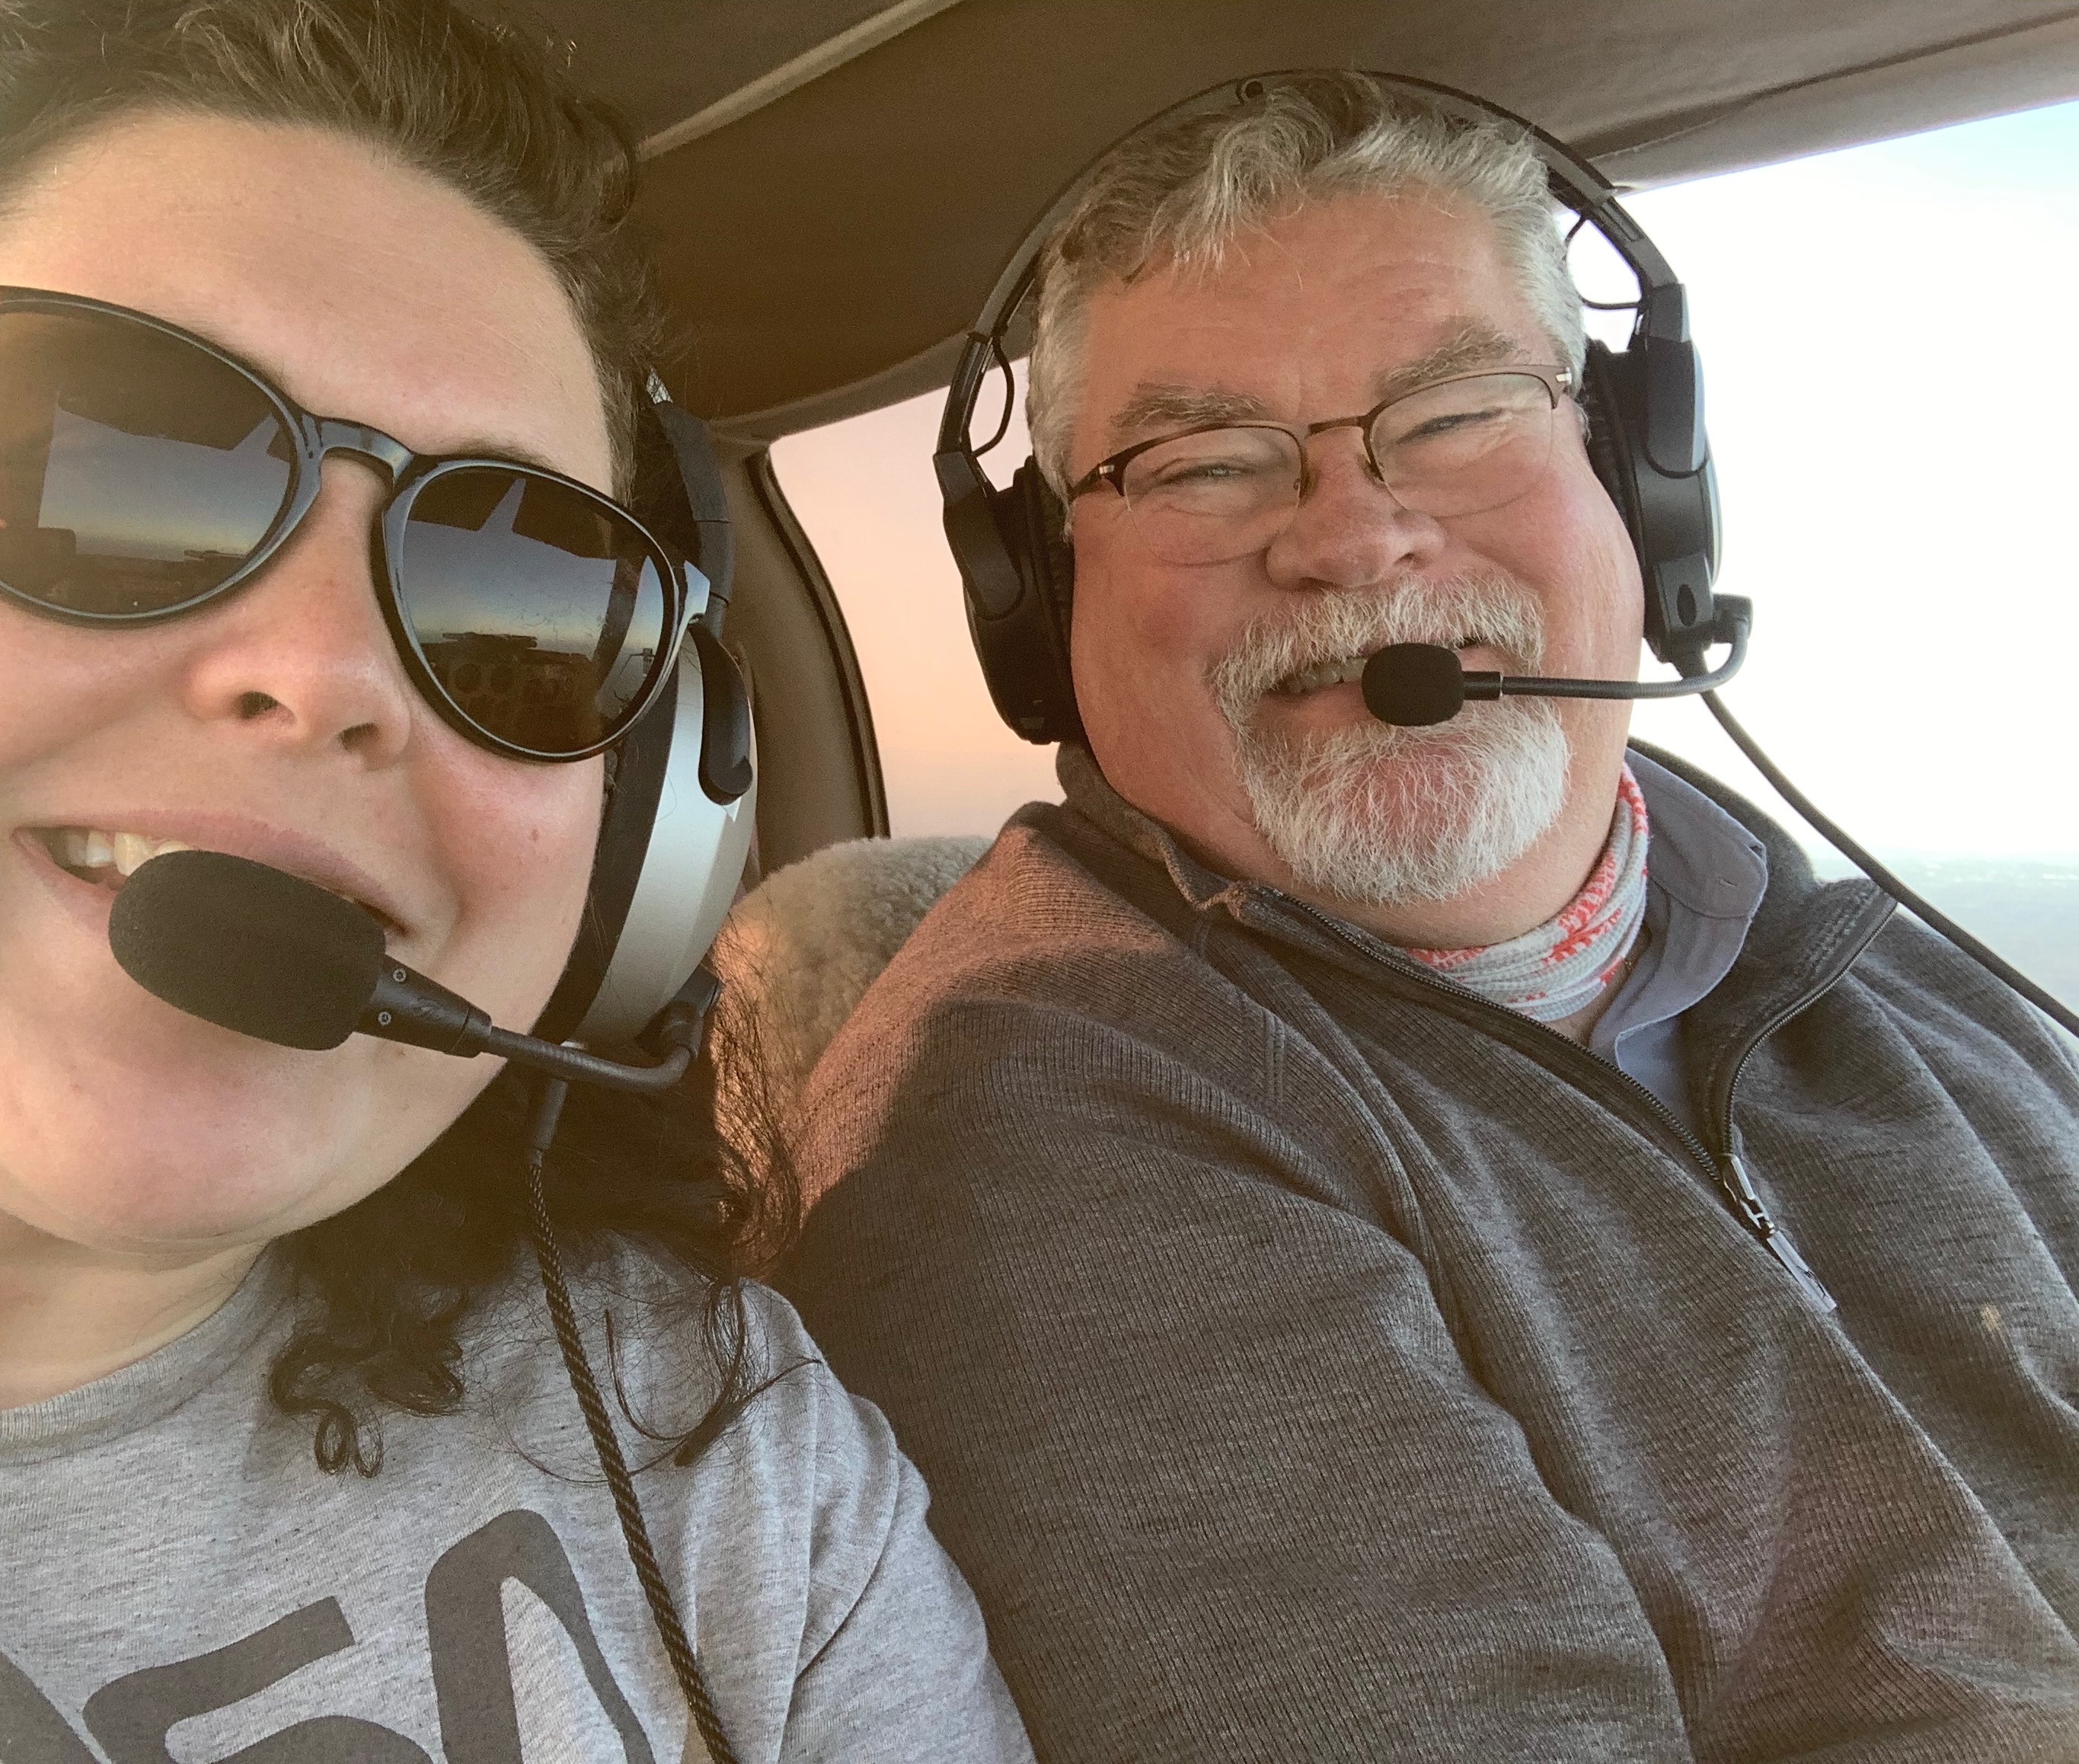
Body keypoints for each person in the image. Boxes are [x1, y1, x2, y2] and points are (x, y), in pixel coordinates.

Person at [0, 3, 1033, 1758]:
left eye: (528, 602)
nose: (330, 672)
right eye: (115, 466)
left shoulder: (715, 1454)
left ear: (639, 836)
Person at [778, 72, 2079, 1760]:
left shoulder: (1878, 977)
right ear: (1035, 602)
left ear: (1640, 489)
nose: (1351, 534)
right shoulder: (1038, 1112)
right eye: (1199, 463)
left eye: (1456, 416)